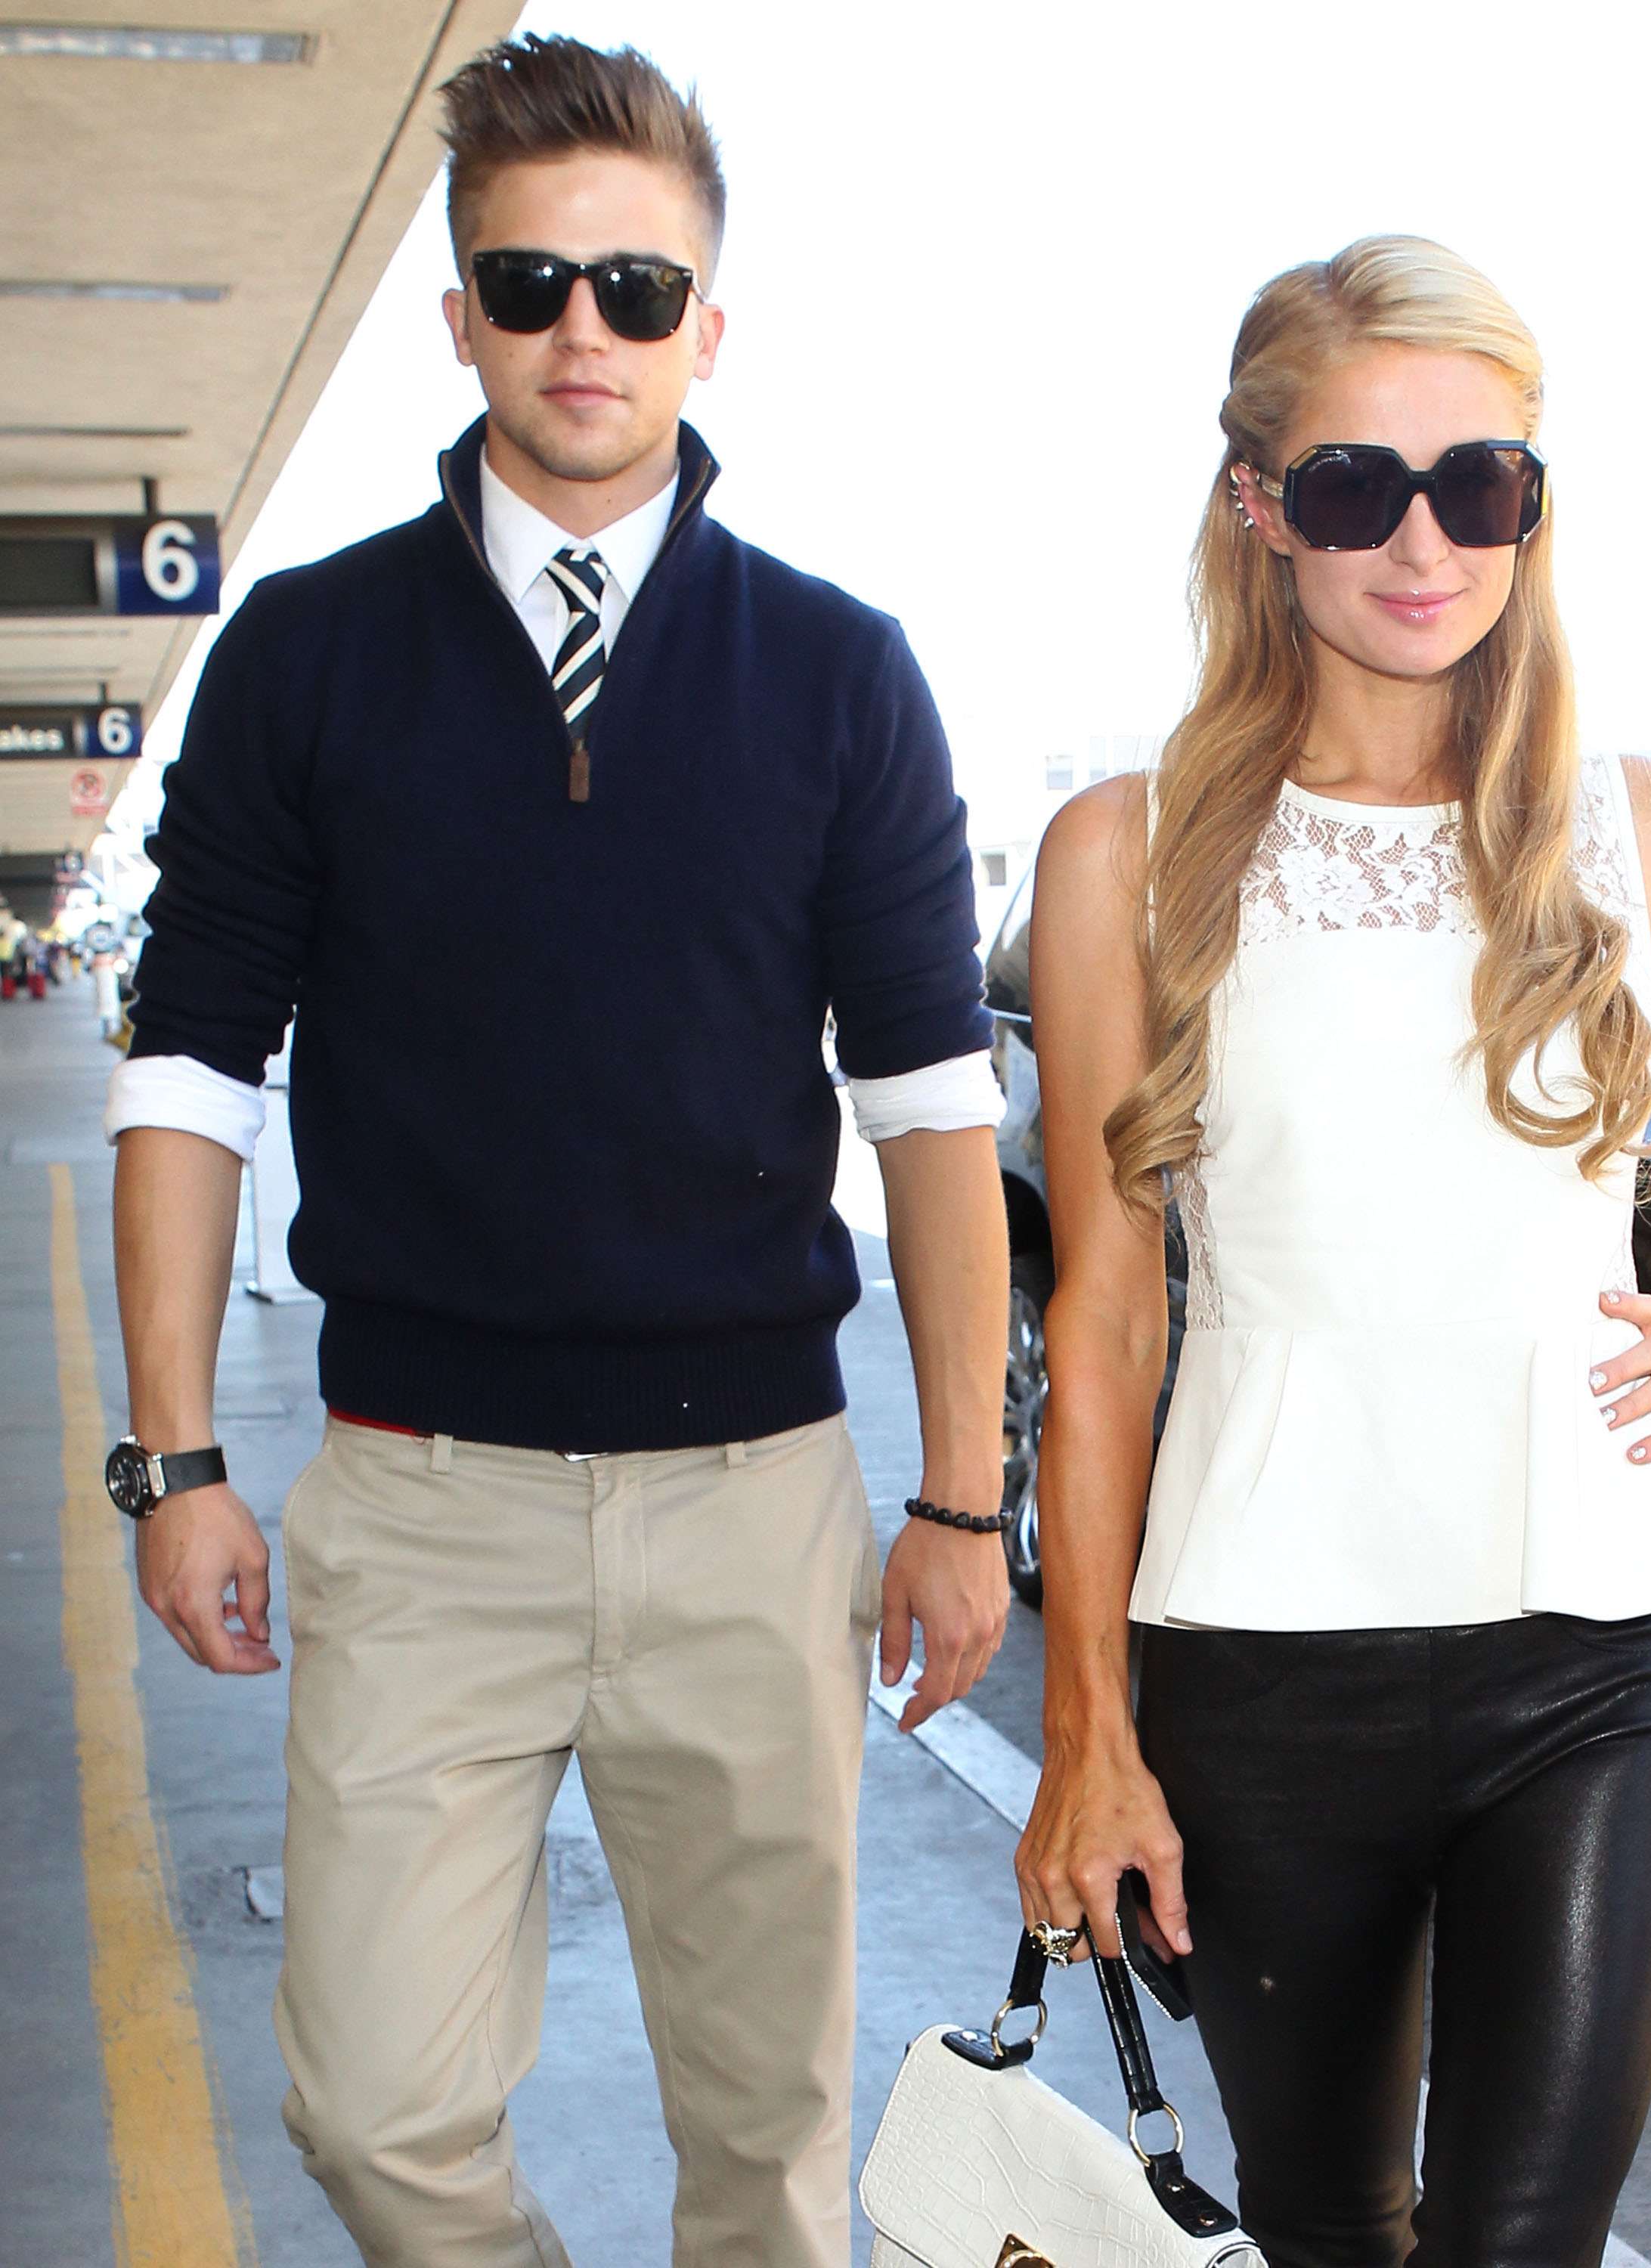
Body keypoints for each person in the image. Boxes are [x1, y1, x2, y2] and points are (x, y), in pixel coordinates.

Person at [105, 36, 1010, 2268]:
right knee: (376, 2114)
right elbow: (188, 1073)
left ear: (712, 324)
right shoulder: (307, 657)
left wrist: (964, 1499)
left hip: (753, 1510)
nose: (580, 329)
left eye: (634, 285)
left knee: (771, 2151)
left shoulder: (837, 673)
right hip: (419, 1505)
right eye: (529, 283)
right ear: (457, 318)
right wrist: (171, 1458)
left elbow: (927, 1111)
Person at [1014, 237, 1651, 2267]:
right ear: (1256, 510)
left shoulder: (1646, 834)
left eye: (1480, 485)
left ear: (1531, 508)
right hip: (1257, 1668)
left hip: (1602, 1661)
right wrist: (1085, 1733)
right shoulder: (1123, 851)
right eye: (1354, 485)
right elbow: (1102, 1317)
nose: (1421, 542)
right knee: (1329, 2230)